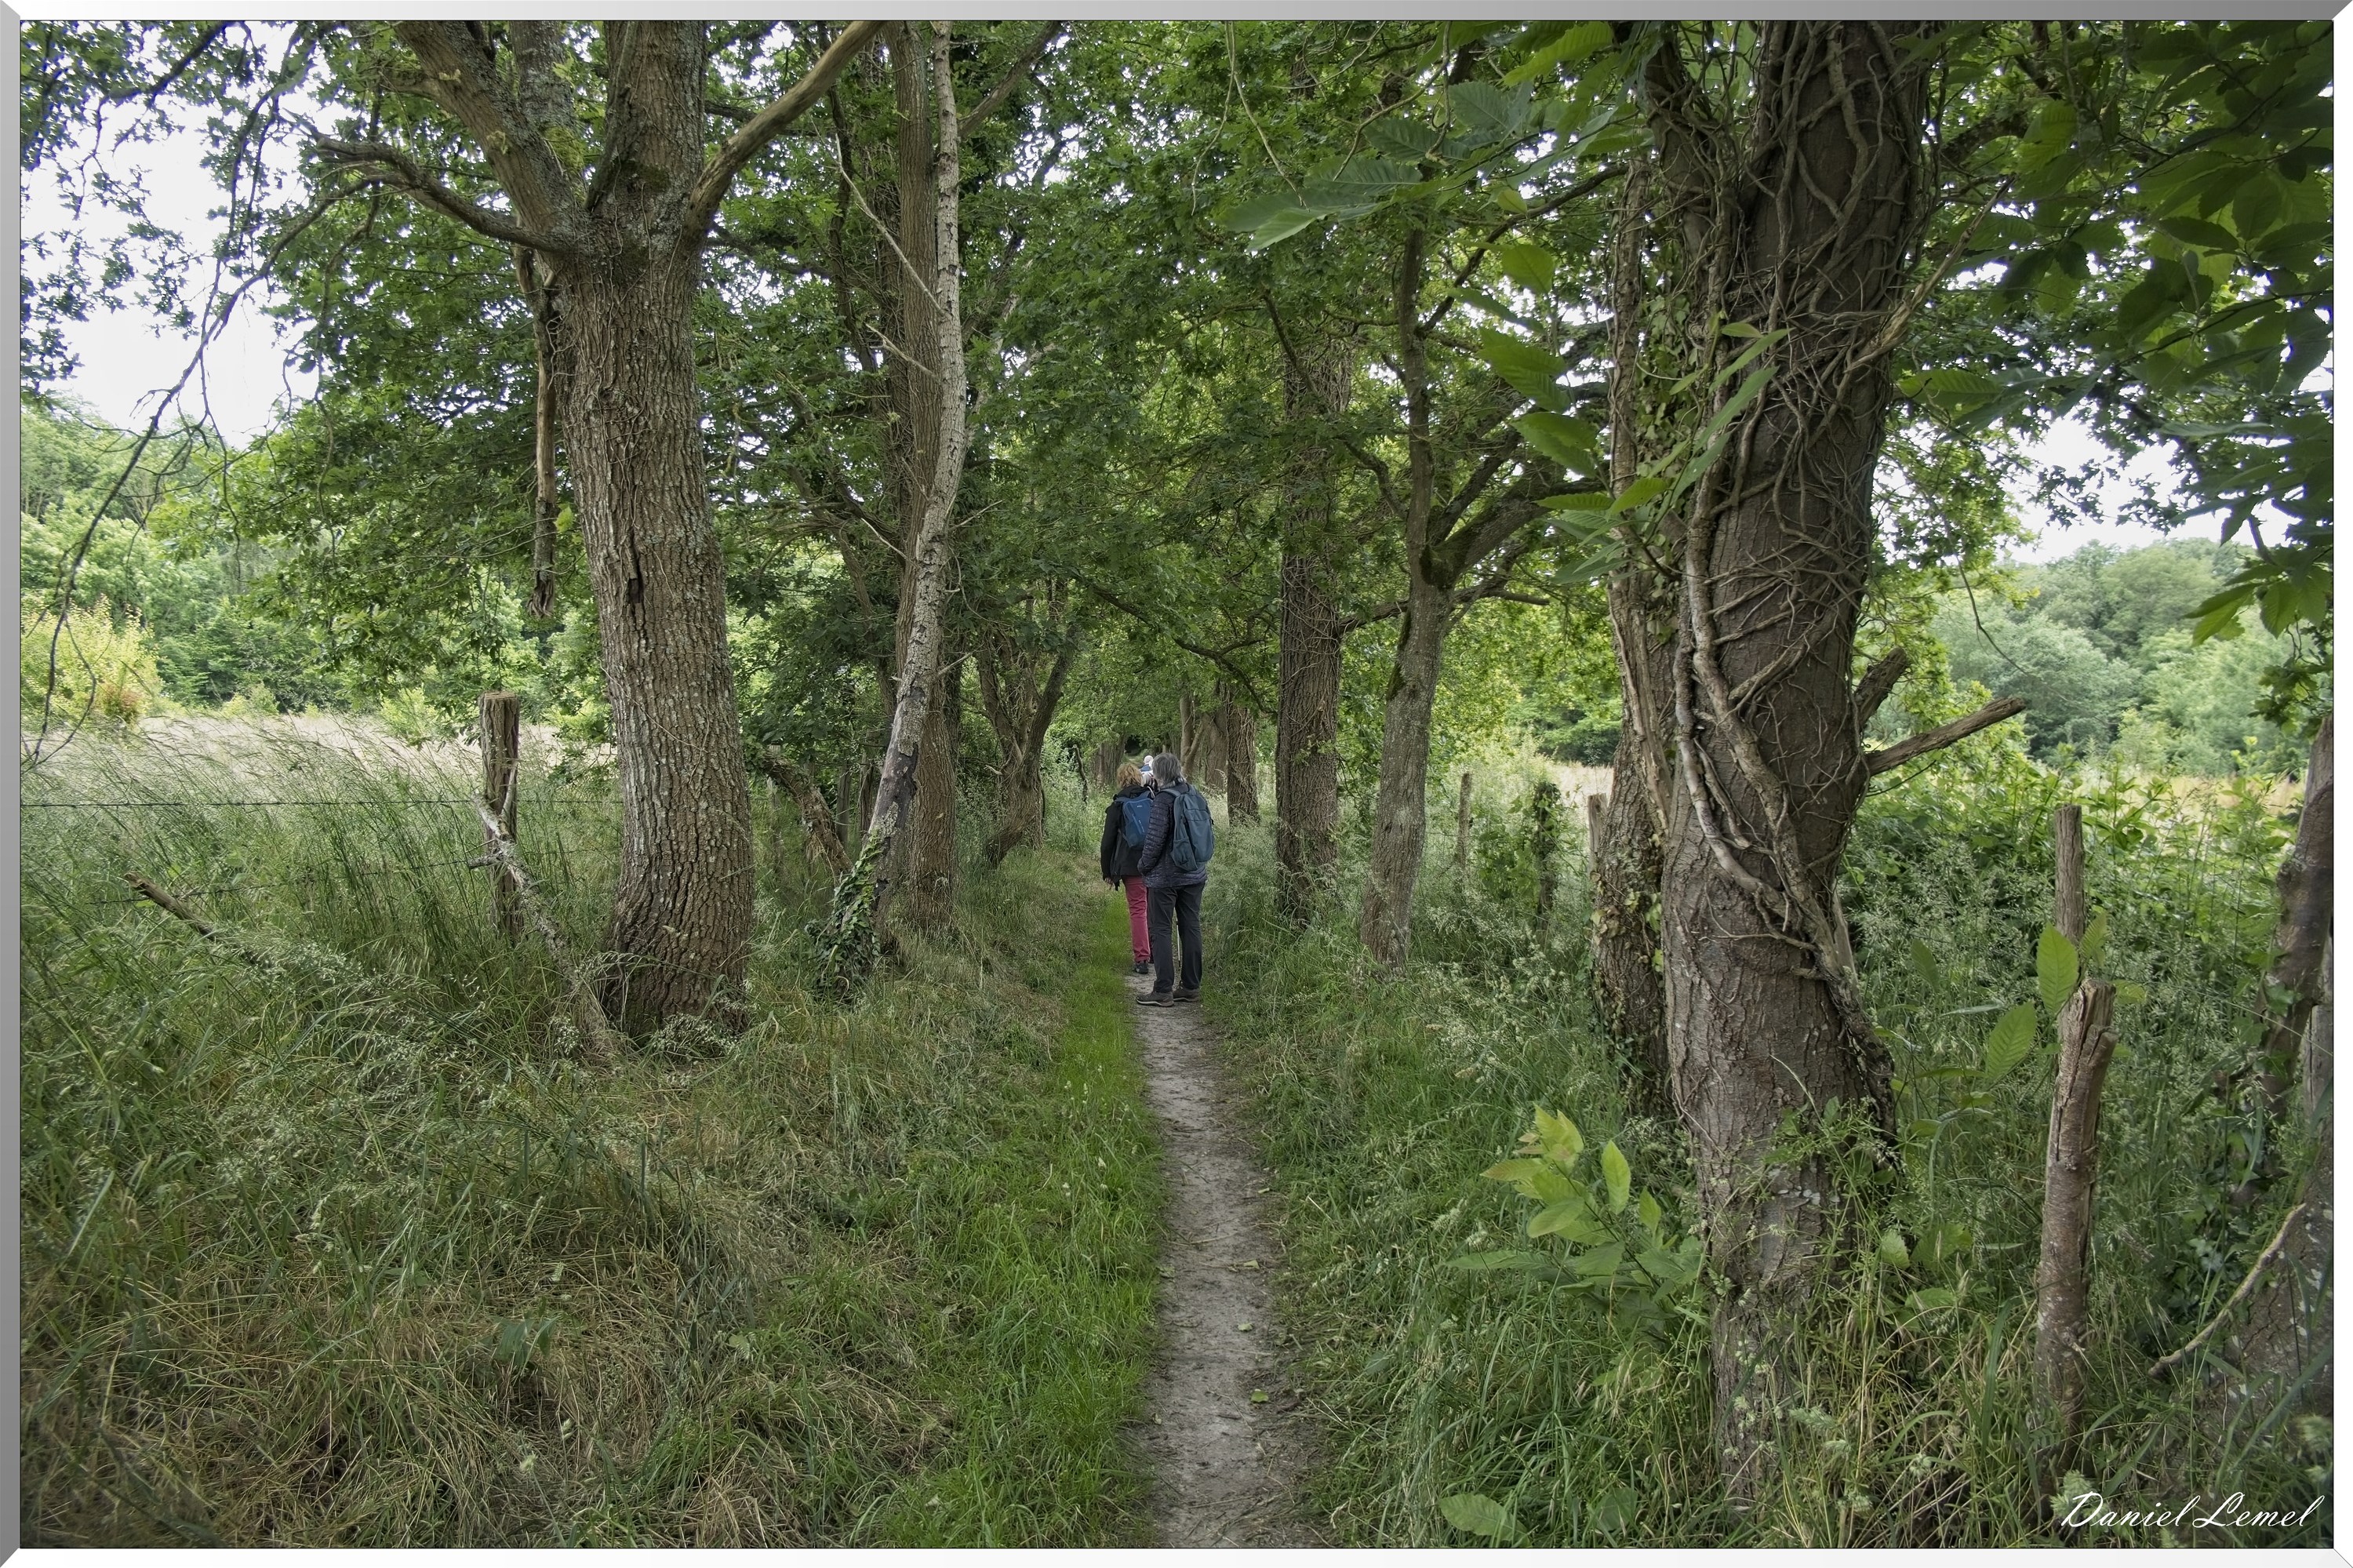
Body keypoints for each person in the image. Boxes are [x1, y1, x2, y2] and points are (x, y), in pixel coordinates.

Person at [1133, 750, 1207, 1007]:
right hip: (1195, 873)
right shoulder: (1194, 793)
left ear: (1159, 774)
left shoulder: (1164, 800)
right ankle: (1190, 986)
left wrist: (1143, 866)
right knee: (1191, 926)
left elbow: (1154, 841)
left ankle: (1163, 990)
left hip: (1165, 878)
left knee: (1161, 929)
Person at [1098, 761, 1152, 975]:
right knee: (1154, 908)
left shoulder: (1117, 805)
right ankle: (1157, 952)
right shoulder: (1152, 799)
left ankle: (1142, 958)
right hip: (1154, 861)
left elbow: (1107, 843)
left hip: (1131, 865)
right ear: (1140, 777)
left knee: (1138, 909)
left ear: (1120, 780)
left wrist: (1107, 871)